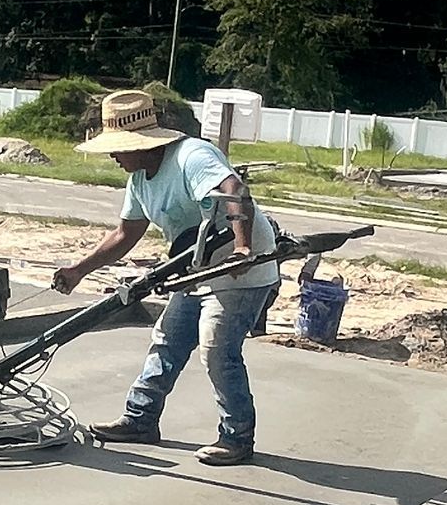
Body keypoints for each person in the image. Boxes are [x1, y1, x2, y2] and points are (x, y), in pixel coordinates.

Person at [52, 89, 279, 466]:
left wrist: (242, 250)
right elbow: (125, 234)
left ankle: (236, 437)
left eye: (118, 148)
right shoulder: (140, 178)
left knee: (217, 351)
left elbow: (235, 190)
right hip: (193, 266)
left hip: (239, 269)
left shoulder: (192, 156)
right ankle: (140, 419)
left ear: (142, 143)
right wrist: (79, 270)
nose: (113, 155)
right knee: (167, 342)